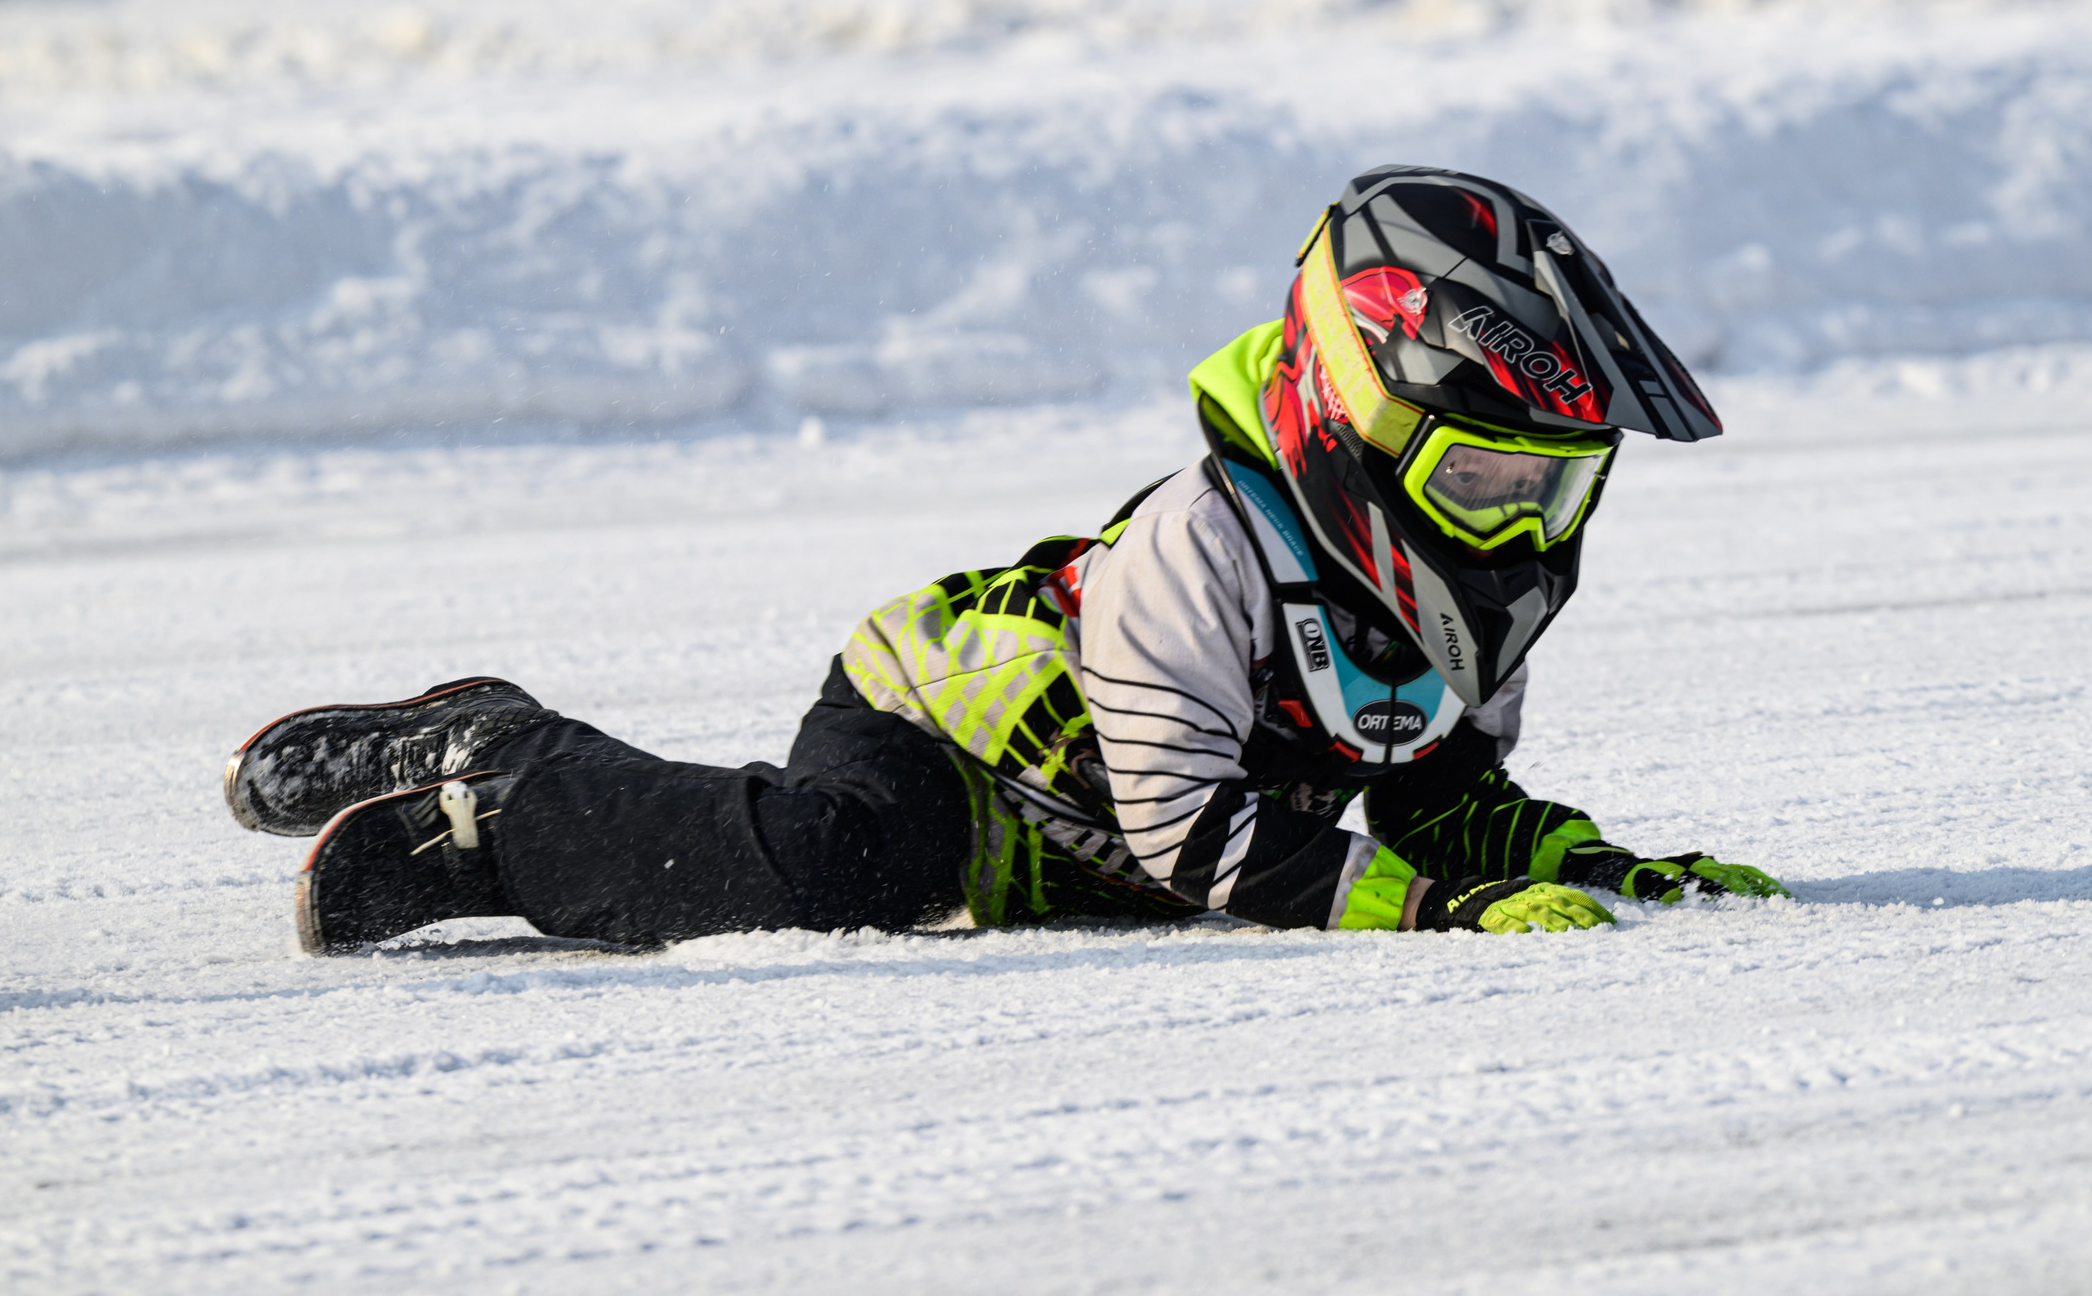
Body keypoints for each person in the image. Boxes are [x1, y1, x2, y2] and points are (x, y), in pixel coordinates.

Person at [226, 166, 1789, 953]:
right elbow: (1193, 837)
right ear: (1358, 414)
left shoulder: (1474, 593)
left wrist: (1584, 862)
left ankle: (512, 771)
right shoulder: (1211, 540)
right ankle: (507, 786)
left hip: (1079, 845)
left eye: (1555, 489)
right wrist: (1438, 913)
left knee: (991, 892)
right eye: (1494, 475)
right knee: (847, 868)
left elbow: (1440, 791)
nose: (1519, 526)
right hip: (938, 734)